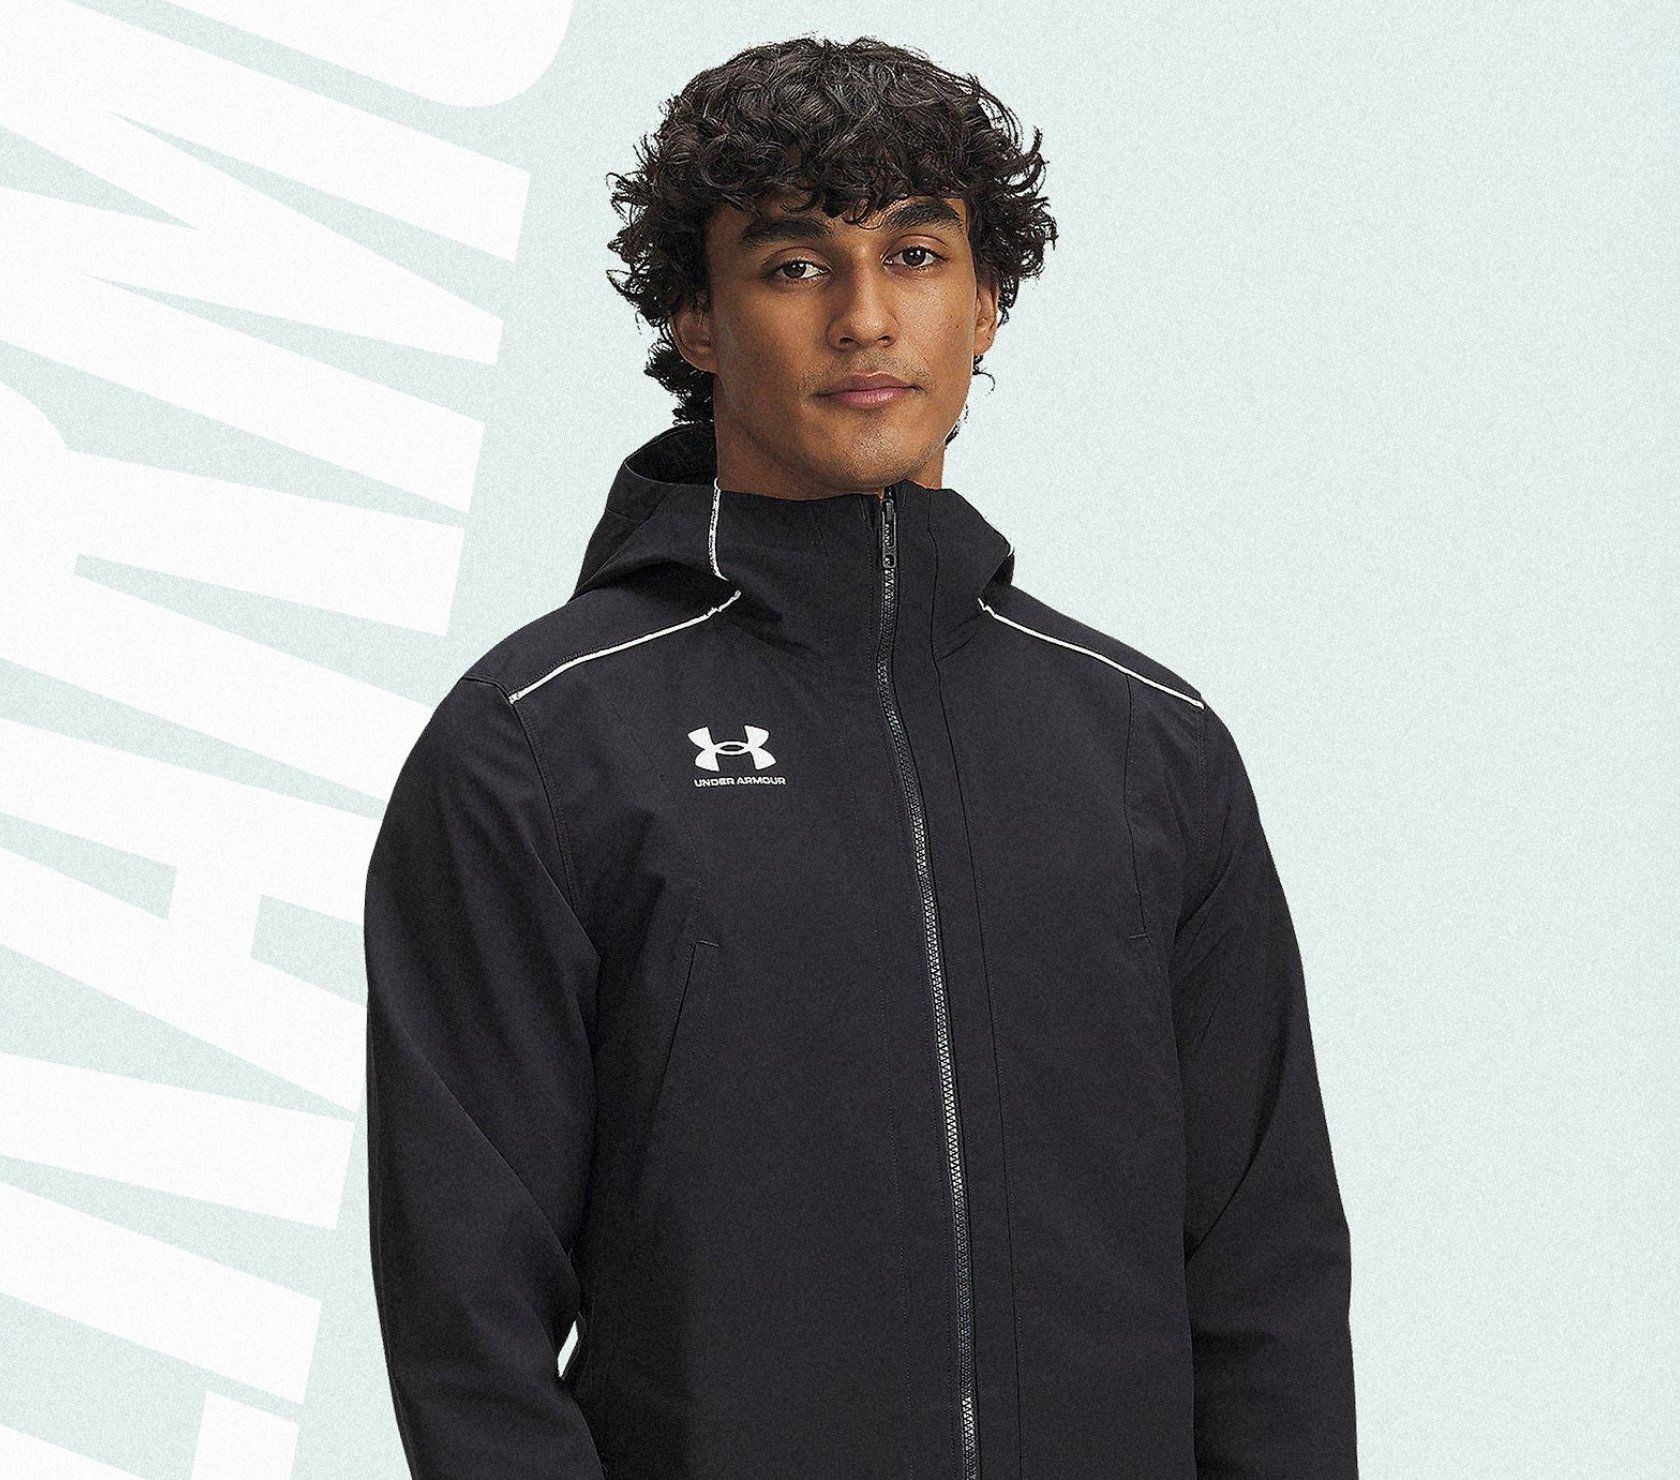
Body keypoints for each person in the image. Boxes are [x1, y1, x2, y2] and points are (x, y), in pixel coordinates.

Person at [363, 33, 1357, 1480]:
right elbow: (468, 1317)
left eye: (917, 254)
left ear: (988, 303)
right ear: (697, 321)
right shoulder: (543, 740)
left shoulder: (1150, 744)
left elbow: (1265, 1271)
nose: (867, 318)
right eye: (794, 265)